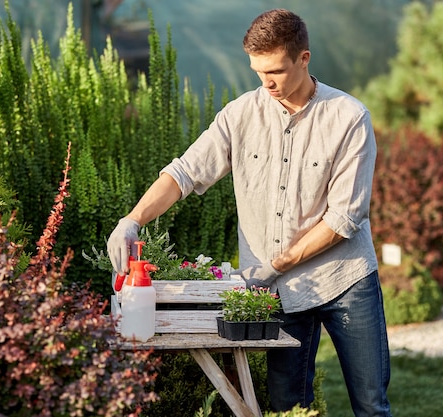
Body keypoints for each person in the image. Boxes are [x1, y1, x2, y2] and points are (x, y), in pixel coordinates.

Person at [107, 8, 392, 416]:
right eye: (258, 71)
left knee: (370, 404)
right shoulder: (240, 114)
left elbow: (344, 218)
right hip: (280, 292)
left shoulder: (349, 118)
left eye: (275, 70)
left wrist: (276, 263)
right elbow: (184, 172)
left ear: (304, 58)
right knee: (288, 405)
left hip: (343, 280)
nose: (267, 83)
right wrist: (132, 220)